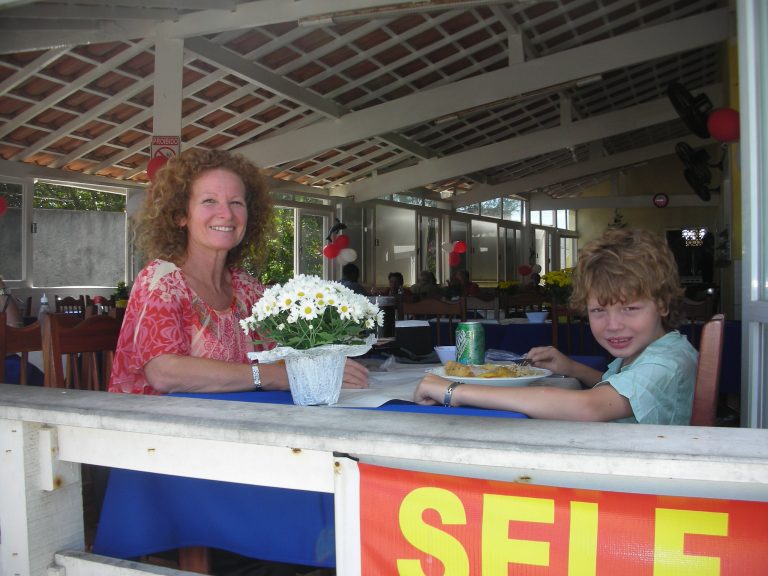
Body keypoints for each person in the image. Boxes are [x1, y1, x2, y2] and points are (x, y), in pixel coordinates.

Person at [109, 149, 368, 396]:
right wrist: (280, 377)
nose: (226, 214)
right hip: (162, 427)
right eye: (209, 201)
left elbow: (285, 348)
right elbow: (164, 372)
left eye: (236, 202)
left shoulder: (246, 288)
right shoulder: (162, 281)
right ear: (180, 215)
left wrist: (324, 359)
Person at [415, 228, 698, 425]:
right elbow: (621, 390)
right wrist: (572, 368)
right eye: (598, 310)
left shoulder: (667, 362)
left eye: (630, 309)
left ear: (663, 304)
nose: (613, 325)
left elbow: (589, 406)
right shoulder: (655, 350)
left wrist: (455, 390)